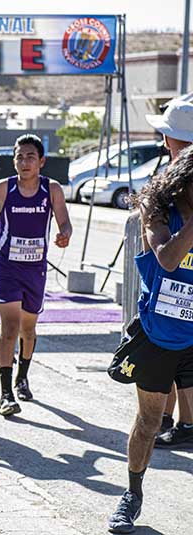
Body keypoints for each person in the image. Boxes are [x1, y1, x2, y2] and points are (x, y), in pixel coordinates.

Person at [105, 145, 193, 533]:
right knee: (149, 421)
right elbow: (168, 258)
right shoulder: (157, 213)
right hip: (158, 335)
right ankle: (131, 496)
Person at [0, 134, 71, 416]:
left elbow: (65, 222)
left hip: (35, 268)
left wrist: (64, 235)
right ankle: (6, 393)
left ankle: (22, 376)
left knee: (28, 330)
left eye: (30, 157)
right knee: (9, 328)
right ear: (14, 161)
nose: (24, 162)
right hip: (6, 267)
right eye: (19, 157)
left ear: (42, 162)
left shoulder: (52, 189)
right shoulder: (3, 189)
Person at [144, 99, 193, 448]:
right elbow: (168, 259)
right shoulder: (159, 196)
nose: (164, 144)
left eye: (170, 138)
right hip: (164, 322)